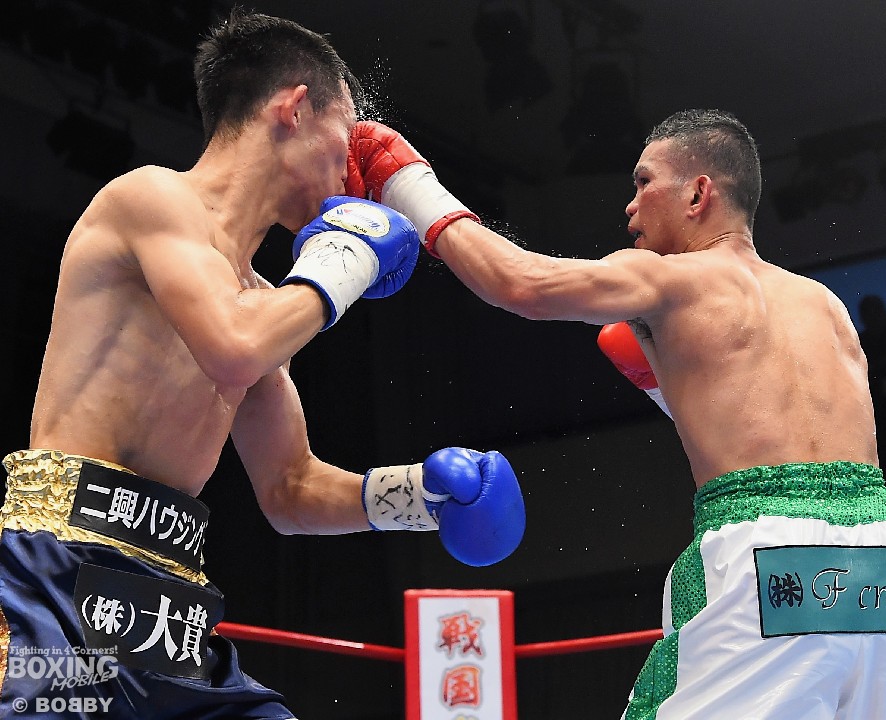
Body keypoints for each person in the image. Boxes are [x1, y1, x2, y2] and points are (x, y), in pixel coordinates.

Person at [0, 9, 524, 719]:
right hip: (58, 576)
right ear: (294, 108)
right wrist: (343, 260)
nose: (350, 168)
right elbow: (233, 345)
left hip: (168, 612)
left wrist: (421, 497)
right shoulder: (152, 199)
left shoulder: (260, 299)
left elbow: (290, 488)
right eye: (344, 133)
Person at [344, 111, 886, 719]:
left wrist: (407, 183)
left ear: (698, 194)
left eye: (644, 182)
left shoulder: (668, 279)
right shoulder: (824, 302)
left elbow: (519, 282)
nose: (630, 206)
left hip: (769, 551)